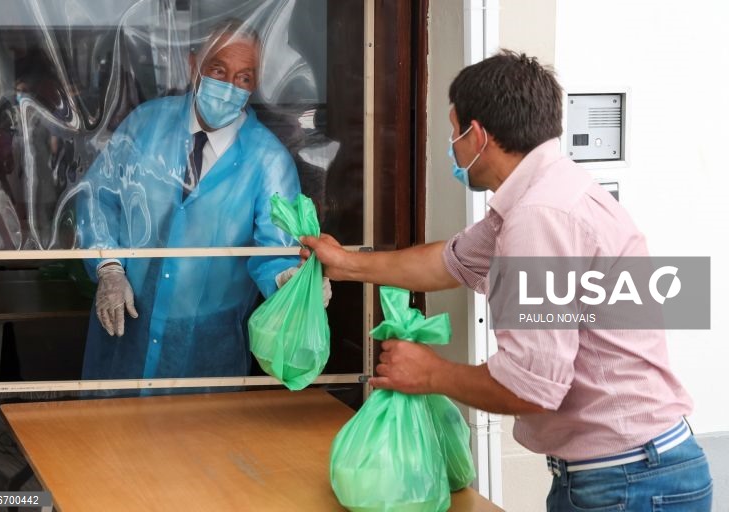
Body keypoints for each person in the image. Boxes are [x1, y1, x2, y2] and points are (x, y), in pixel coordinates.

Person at [301, 51, 712, 511]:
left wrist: (430, 374)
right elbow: (446, 263)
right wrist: (344, 264)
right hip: (636, 471)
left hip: (626, 482)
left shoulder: (540, 218)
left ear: (476, 134)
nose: (453, 147)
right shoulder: (545, 195)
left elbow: (532, 388)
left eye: (454, 131)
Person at [76, 18, 330, 382]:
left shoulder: (268, 161)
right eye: (218, 70)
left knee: (198, 436)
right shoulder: (146, 124)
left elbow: (274, 252)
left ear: (255, 83)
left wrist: (287, 280)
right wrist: (109, 268)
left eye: (243, 77)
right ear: (194, 66)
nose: (229, 86)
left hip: (205, 351)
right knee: (106, 435)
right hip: (125, 332)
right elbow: (96, 198)